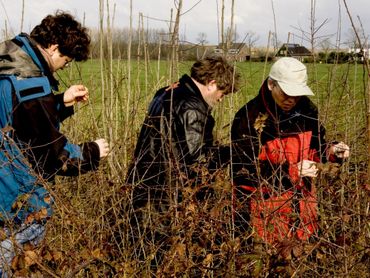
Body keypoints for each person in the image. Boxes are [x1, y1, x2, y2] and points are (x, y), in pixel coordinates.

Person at [0, 11, 109, 274]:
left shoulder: (9, 67)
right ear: (53, 47)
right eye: (66, 60)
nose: (64, 66)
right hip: (18, 201)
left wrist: (60, 102)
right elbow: (51, 155)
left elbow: (21, 124)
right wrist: (92, 151)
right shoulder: (30, 87)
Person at [125, 56, 240, 267]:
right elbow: (198, 159)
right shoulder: (193, 106)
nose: (221, 99)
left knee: (141, 253)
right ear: (212, 83)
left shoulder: (166, 92)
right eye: (222, 93)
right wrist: (231, 153)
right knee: (159, 258)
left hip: (144, 184)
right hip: (166, 195)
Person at [231, 57, 349, 247]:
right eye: (287, 93)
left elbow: (315, 150)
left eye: (297, 94)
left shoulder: (308, 112)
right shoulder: (249, 117)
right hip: (266, 217)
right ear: (271, 85)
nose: (292, 100)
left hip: (303, 213)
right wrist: (292, 171)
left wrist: (332, 152)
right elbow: (244, 171)